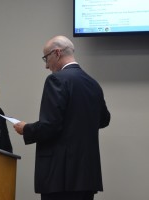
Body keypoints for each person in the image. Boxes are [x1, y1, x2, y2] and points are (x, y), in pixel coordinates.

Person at [13, 35, 110, 200]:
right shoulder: (93, 84)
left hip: (60, 177)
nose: (46, 66)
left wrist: (26, 129)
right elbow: (104, 120)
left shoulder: (56, 80)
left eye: (46, 58)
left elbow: (50, 125)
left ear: (57, 53)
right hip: (87, 177)